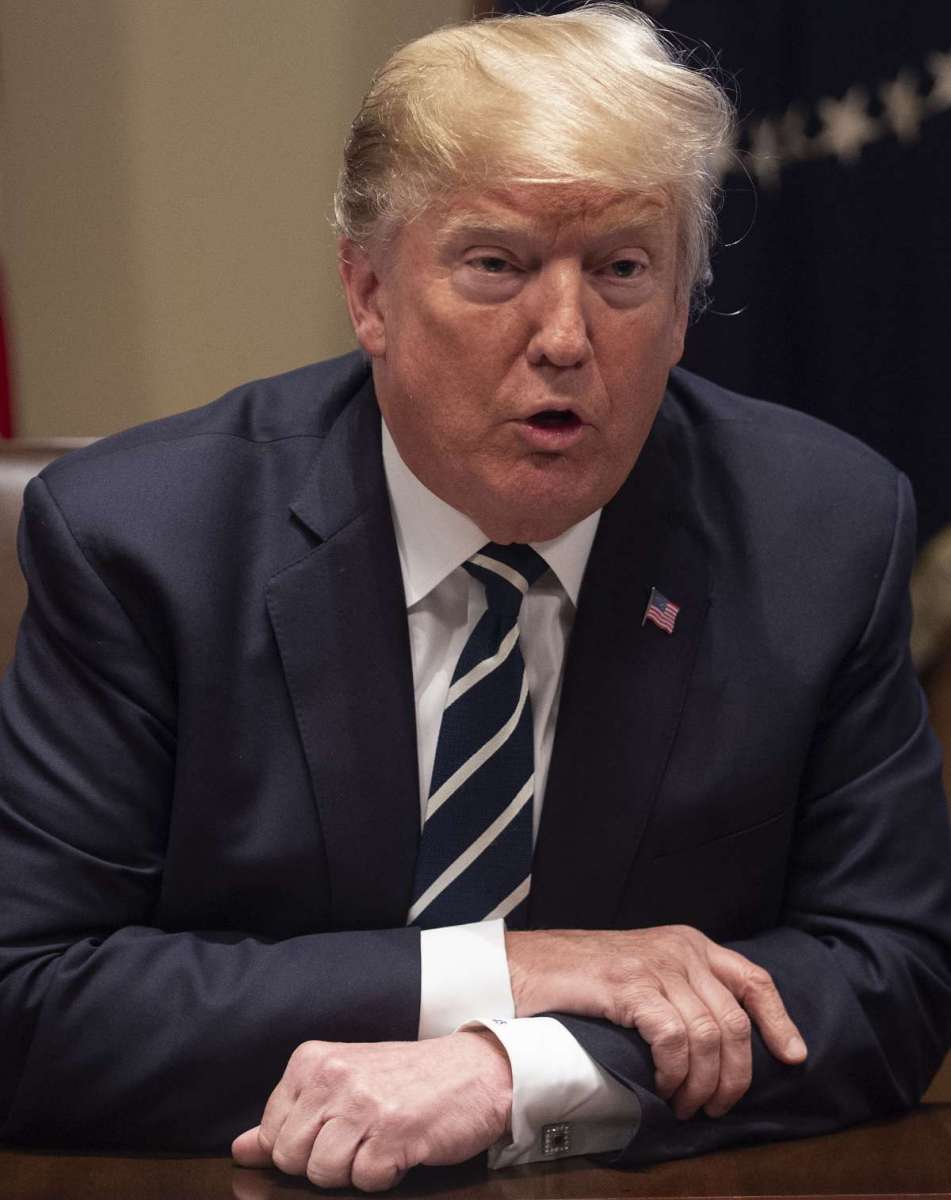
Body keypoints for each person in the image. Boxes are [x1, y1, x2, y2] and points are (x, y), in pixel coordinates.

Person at [1, 5, 949, 1193]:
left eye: (621, 270)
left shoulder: (820, 533)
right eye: (495, 264)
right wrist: (521, 969)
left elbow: (892, 977)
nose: (563, 336)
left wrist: (519, 1066)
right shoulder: (145, 543)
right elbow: (27, 1001)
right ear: (369, 291)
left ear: (685, 306)